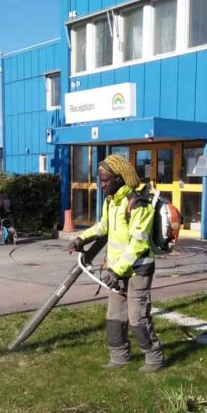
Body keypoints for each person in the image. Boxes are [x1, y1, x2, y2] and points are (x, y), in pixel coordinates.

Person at [67, 155, 164, 373]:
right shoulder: (111, 200)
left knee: (137, 318)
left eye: (105, 181)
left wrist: (116, 271)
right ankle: (119, 357)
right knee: (114, 317)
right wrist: (82, 238)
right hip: (116, 271)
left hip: (138, 270)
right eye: (100, 180)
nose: (101, 185)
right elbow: (103, 226)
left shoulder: (139, 204)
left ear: (120, 179)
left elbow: (138, 244)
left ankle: (154, 358)